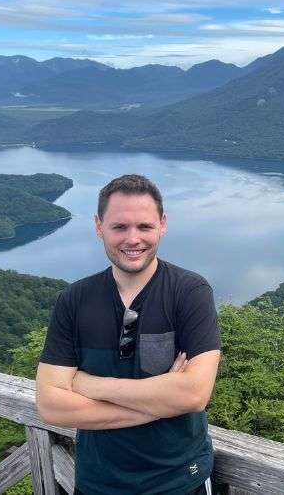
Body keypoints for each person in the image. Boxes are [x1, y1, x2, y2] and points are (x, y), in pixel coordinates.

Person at [35, 174, 222, 495]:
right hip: (99, 483)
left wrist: (89, 385)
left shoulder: (189, 292)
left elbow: (193, 395)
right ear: (99, 226)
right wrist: (161, 401)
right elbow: (52, 406)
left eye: (144, 227)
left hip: (179, 480)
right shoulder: (75, 300)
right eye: (119, 227)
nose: (133, 239)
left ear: (162, 224)